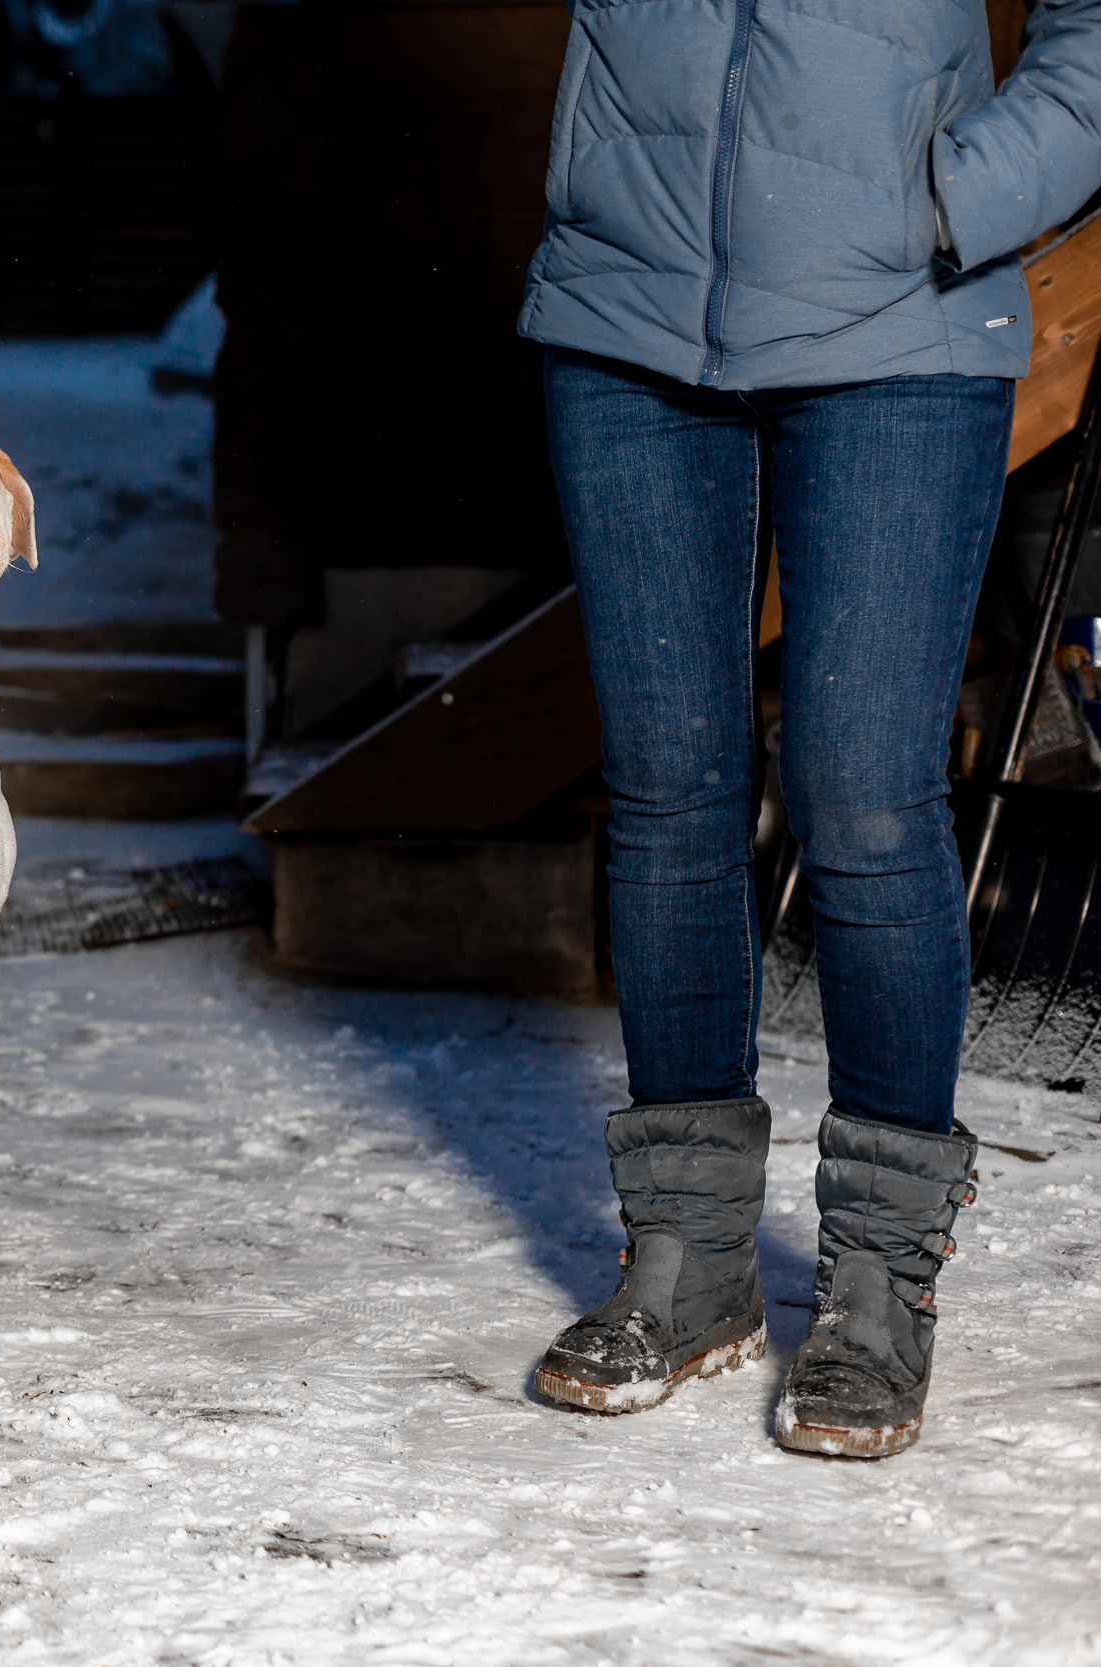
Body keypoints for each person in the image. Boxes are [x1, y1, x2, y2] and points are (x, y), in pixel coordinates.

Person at [519, 1, 1101, 1455]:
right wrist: (596, 162)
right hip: (627, 300)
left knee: (868, 800)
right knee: (667, 796)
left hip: (901, 321)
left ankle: (879, 1286)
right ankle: (690, 1263)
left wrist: (966, 193)